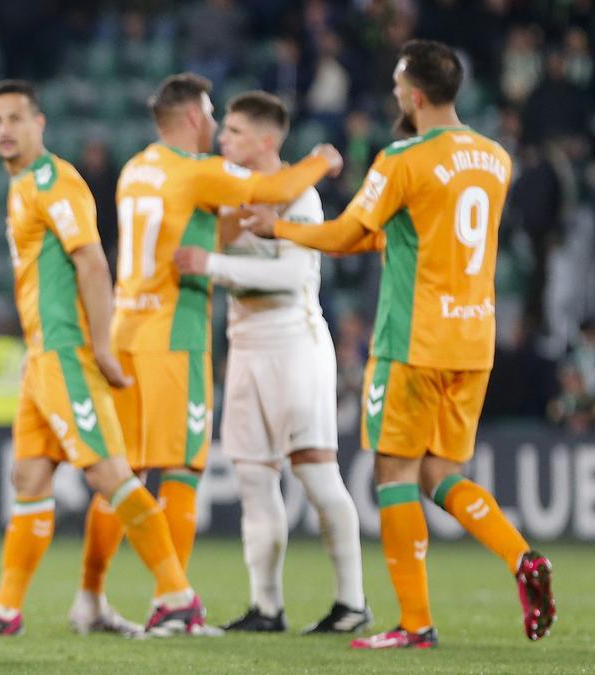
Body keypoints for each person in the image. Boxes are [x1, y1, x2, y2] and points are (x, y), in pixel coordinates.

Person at [241, 39, 555, 649]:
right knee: (441, 472)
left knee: (393, 472)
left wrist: (277, 227)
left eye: (395, 88)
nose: (392, 97)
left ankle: (415, 623)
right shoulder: (496, 158)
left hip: (413, 338)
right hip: (473, 337)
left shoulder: (402, 157)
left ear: (414, 95)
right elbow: (410, 235)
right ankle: (522, 559)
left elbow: (344, 233)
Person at [89, 72, 339, 632]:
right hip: (174, 336)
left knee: (119, 473)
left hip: (126, 332)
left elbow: (201, 229)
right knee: (181, 470)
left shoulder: (136, 169)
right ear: (194, 117)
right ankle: (172, 603)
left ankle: (90, 597)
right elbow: (275, 191)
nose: (218, 129)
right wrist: (322, 159)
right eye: (212, 116)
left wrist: (224, 232)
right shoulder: (198, 171)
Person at [0, 78, 223, 640]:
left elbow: (91, 262)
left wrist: (104, 346)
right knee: (30, 476)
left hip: (68, 352)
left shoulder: (57, 182)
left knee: (110, 472)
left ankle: (178, 595)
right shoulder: (21, 186)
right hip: (41, 355)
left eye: (15, 119)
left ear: (39, 123)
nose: (4, 131)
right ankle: (6, 606)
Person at [173, 90, 370, 634]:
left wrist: (210, 263)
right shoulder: (227, 194)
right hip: (246, 346)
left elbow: (293, 278)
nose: (222, 139)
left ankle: (352, 602)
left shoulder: (299, 198)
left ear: (265, 141)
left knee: (316, 473)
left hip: (294, 343)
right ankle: (267, 607)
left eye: (234, 131)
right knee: (253, 480)